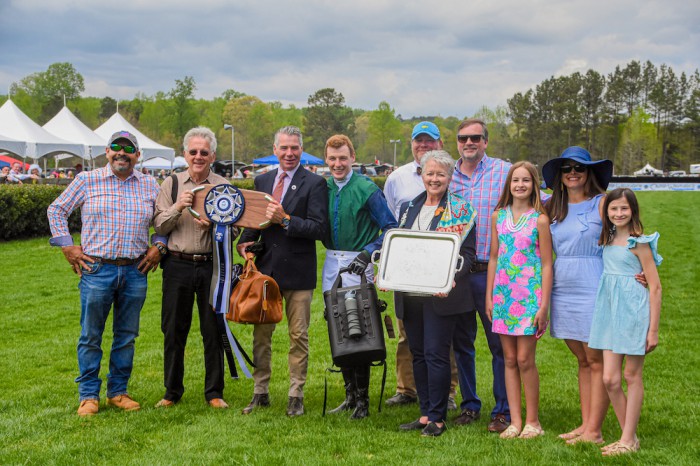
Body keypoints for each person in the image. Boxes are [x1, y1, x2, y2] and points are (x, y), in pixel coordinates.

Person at [47, 130, 165, 416]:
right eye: (116, 147)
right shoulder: (87, 180)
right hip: (97, 269)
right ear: (107, 151)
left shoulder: (150, 184)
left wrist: (159, 244)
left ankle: (118, 392)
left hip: (136, 270)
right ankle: (88, 395)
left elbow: (164, 221)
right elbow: (57, 210)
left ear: (138, 155)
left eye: (128, 149)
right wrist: (67, 246)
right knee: (91, 335)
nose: (121, 153)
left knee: (126, 335)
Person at [236, 126, 328, 417]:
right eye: (284, 148)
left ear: (301, 150)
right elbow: (252, 221)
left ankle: (295, 394)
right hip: (265, 273)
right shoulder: (261, 180)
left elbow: (319, 228)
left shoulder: (314, 183)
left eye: (295, 148)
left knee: (298, 335)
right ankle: (260, 391)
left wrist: (286, 219)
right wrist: (244, 245)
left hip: (299, 272)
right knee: (261, 335)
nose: (289, 153)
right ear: (275, 150)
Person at [395, 150, 476, 437]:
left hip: (442, 295)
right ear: (422, 175)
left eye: (440, 174)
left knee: (436, 354)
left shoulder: (462, 210)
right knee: (417, 353)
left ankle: (439, 418)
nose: (434, 179)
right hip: (411, 294)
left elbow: (467, 254)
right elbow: (400, 246)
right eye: (429, 173)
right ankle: (425, 413)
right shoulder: (409, 207)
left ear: (450, 177)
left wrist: (450, 279)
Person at [153, 127, 233, 409]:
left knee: (212, 329)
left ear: (212, 155)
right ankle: (171, 391)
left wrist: (216, 225)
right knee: (173, 329)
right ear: (185, 154)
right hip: (178, 265)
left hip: (213, 265)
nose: (198, 157)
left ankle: (214, 392)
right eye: (193, 152)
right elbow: (159, 225)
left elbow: (234, 231)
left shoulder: (223, 185)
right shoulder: (172, 184)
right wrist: (178, 206)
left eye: (204, 152)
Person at [383, 121, 458, 409]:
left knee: (440, 344)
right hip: (408, 282)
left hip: (440, 284)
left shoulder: (456, 192)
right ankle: (411, 392)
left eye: (429, 141)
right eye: (419, 141)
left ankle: (445, 397)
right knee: (410, 339)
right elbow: (394, 230)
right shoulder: (400, 184)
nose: (423, 145)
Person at [321, 134, 397, 419]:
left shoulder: (366, 188)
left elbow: (390, 227)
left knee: (359, 327)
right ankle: (349, 394)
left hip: (357, 263)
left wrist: (369, 251)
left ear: (352, 157)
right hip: (331, 262)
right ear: (326, 159)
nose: (338, 164)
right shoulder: (324, 187)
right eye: (332, 158)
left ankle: (363, 400)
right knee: (337, 327)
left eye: (343, 158)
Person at [542, 146, 613, 444]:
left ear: (589, 173)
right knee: (582, 360)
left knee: (597, 359)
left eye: (579, 168)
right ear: (559, 175)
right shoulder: (550, 208)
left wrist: (642, 271)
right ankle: (585, 425)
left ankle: (594, 431)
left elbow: (628, 236)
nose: (572, 173)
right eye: (567, 168)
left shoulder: (603, 202)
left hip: (594, 283)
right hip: (563, 286)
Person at [448, 118, 511, 432]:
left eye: (475, 138)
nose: (469, 143)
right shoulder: (449, 175)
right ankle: (470, 405)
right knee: (462, 344)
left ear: (486, 141)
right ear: (457, 142)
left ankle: (503, 409)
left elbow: (539, 206)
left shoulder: (504, 172)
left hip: (491, 272)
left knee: (499, 344)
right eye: (463, 138)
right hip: (457, 274)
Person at [589, 188, 662, 456]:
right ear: (606, 212)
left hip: (633, 312)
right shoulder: (607, 239)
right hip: (609, 312)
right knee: (609, 378)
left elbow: (655, 287)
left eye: (624, 209)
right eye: (613, 209)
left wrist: (652, 330)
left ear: (633, 211)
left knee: (631, 375)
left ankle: (628, 439)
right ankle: (627, 437)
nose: (619, 213)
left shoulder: (639, 242)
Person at [485, 161, 553, 439]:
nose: (520, 185)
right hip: (503, 296)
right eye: (516, 180)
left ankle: (533, 422)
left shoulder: (540, 219)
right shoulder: (498, 217)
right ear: (509, 184)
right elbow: (493, 257)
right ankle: (515, 420)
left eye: (526, 180)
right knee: (509, 359)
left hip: (529, 299)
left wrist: (544, 305)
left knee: (525, 359)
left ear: (534, 185)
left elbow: (548, 264)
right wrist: (489, 296)